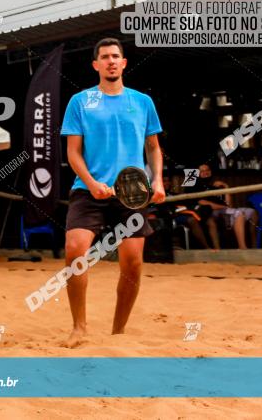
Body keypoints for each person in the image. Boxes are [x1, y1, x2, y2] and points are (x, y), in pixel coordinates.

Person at [60, 38, 165, 348]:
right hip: (88, 190)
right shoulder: (80, 102)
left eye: (115, 56)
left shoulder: (142, 102)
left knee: (132, 262)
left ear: (124, 63)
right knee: (75, 250)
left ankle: (118, 331)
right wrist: (91, 182)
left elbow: (154, 147)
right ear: (96, 65)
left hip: (132, 193)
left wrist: (157, 181)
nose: (110, 61)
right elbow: (73, 153)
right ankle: (79, 327)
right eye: (104, 57)